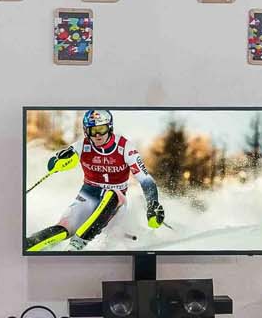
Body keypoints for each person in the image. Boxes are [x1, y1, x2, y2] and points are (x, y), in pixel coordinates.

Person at [24, 108, 164, 252]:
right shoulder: (82, 146)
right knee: (63, 228)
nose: (97, 135)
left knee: (113, 194)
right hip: (88, 196)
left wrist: (153, 203)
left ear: (110, 127)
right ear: (86, 131)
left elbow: (146, 179)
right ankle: (29, 244)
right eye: (92, 130)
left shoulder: (125, 147)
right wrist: (59, 161)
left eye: (101, 129)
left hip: (116, 202)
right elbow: (52, 164)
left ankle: (77, 244)